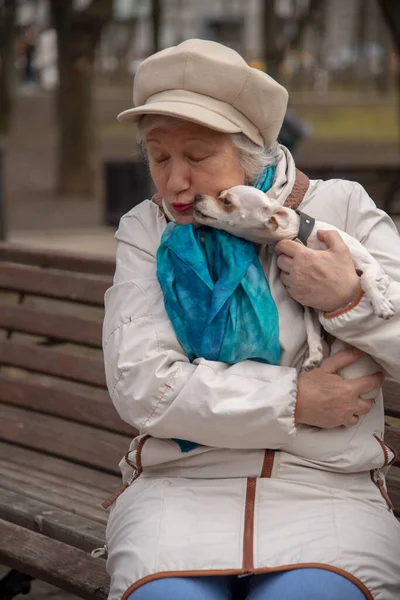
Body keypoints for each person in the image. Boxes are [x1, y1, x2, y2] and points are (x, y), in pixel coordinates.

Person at [102, 39, 400, 600]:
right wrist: (295, 399)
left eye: (196, 156)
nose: (174, 183)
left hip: (326, 492)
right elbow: (144, 385)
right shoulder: (146, 230)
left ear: (252, 152)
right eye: (159, 157)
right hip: (177, 493)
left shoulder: (342, 210)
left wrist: (348, 300)